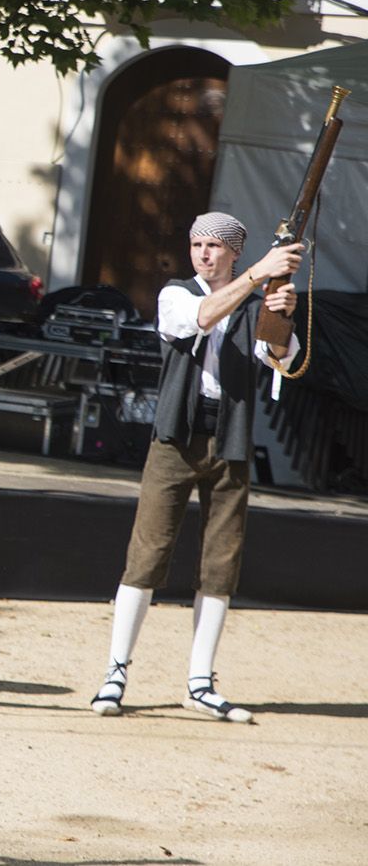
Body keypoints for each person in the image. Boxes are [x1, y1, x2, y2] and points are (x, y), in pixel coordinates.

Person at [89, 212, 302, 725]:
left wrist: (281, 312)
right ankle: (116, 671)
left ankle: (201, 682)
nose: (204, 254)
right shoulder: (176, 293)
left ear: (234, 251)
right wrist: (258, 275)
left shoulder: (254, 301)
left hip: (228, 437)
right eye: (197, 244)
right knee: (148, 554)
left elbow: (282, 360)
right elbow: (198, 318)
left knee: (220, 564)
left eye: (215, 246)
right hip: (175, 439)